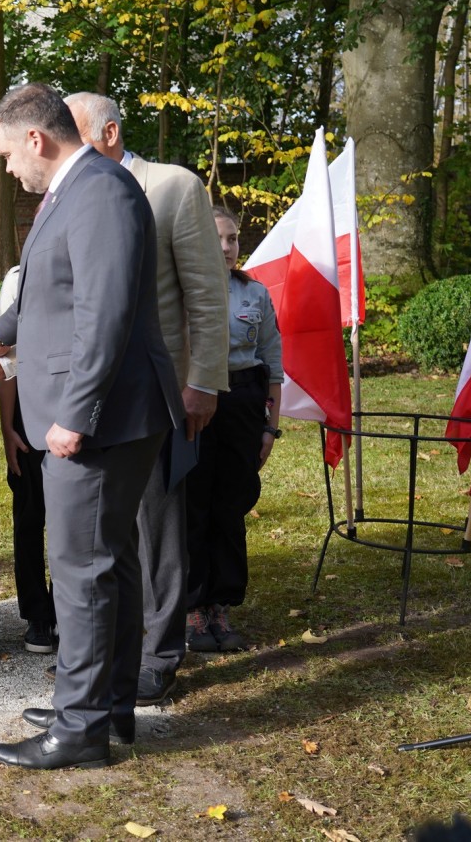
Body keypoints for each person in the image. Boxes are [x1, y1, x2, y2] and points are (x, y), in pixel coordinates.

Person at [0, 83, 182, 770]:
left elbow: (104, 315)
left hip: (100, 421)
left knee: (83, 570)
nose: (6, 170)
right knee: (108, 563)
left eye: (5, 156)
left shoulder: (102, 192)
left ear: (36, 139)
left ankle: (78, 727)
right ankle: (108, 704)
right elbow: (49, 290)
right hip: (100, 415)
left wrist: (72, 418)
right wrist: (0, 336)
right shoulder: (70, 192)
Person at [65, 92, 229, 706]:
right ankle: (105, 654)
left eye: (72, 130)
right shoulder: (71, 190)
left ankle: (159, 654)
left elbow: (207, 295)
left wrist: (203, 381)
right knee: (104, 528)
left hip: (157, 392)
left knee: (156, 526)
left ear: (108, 132)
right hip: (86, 391)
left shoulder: (171, 186)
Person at [184, 207, 282, 652]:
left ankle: (222, 603)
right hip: (195, 404)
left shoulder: (254, 294)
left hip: (242, 406)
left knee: (231, 503)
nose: (227, 247)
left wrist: (270, 427)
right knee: (192, 503)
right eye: (218, 238)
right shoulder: (181, 290)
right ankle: (192, 608)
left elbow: (272, 364)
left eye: (233, 238)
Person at [0, 266, 54, 655]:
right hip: (28, 418)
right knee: (31, 517)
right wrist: (7, 428)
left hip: (74, 411)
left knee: (75, 522)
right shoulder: (18, 278)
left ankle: (68, 610)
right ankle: (37, 616)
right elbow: (6, 359)